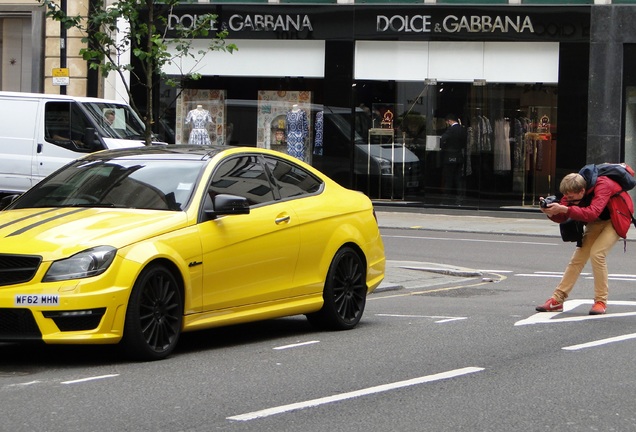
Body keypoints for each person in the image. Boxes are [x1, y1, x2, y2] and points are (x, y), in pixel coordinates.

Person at [536, 171, 624, 315]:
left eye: (571, 197)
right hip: (596, 222)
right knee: (578, 257)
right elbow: (564, 215)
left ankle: (600, 301)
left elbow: (592, 213)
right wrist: (550, 212)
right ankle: (557, 300)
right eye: (566, 197)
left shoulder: (603, 185)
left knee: (597, 254)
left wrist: (564, 208)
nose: (568, 199)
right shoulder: (572, 191)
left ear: (582, 190)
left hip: (615, 219)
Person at [440, 113, 467, 201]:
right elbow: (465, 142)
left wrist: (443, 147)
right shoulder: (462, 129)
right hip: (459, 155)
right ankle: (460, 194)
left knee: (449, 176)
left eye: (447, 122)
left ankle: (447, 194)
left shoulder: (451, 130)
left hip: (450, 155)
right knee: (458, 176)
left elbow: (443, 138)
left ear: (449, 121)